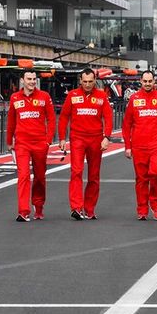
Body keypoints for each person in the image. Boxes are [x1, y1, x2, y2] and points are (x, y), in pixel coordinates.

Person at [58, 68, 113, 220]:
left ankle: (89, 209)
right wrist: (62, 138)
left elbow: (108, 118)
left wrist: (106, 137)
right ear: (80, 81)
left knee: (94, 176)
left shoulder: (102, 96)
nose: (88, 84)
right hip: (77, 138)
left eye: (90, 81)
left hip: (96, 139)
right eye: (85, 81)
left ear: (95, 80)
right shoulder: (72, 95)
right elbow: (63, 117)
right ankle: (76, 207)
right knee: (76, 171)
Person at [122, 71, 157, 220]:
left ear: (154, 81)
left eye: (150, 81)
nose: (147, 83)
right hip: (139, 145)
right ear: (140, 81)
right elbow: (126, 125)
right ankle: (142, 209)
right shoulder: (134, 99)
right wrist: (127, 146)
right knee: (141, 179)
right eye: (145, 81)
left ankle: (156, 206)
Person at [6, 69, 56, 222]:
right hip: (22, 144)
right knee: (23, 176)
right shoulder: (15, 98)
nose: (32, 82)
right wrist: (9, 141)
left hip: (40, 143)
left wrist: (48, 141)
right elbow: (11, 122)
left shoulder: (44, 97)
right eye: (29, 79)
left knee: (40, 177)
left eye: (34, 79)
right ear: (23, 80)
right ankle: (23, 211)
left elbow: (52, 119)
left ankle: (38, 206)